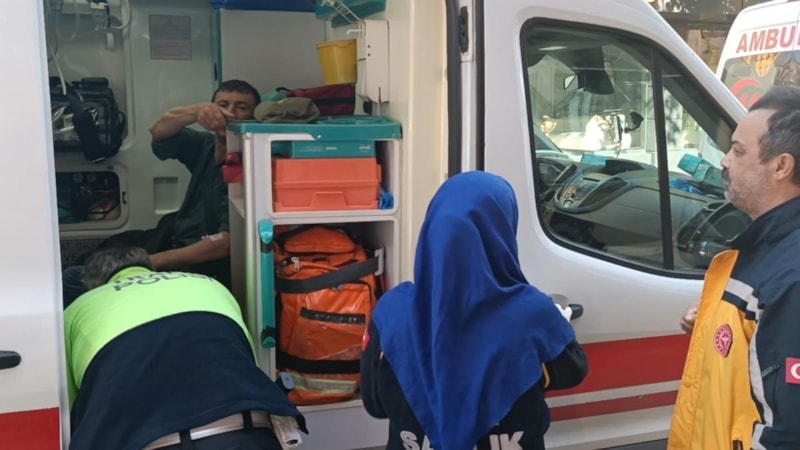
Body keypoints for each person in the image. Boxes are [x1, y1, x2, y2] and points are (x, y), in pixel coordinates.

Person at [361, 171, 588, 450]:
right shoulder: (534, 315)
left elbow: (374, 404)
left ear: (431, 231)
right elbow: (574, 371)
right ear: (502, 231)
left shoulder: (391, 313)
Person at [64, 246, 306, 450]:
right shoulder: (211, 285)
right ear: (150, 268)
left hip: (146, 440)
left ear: (95, 286)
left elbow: (69, 409)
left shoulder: (79, 309)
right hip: (250, 430)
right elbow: (245, 358)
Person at [669, 86, 800, 450]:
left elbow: (787, 431)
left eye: (738, 151)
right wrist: (714, 321)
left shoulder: (791, 275)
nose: (725, 161)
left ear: (781, 166)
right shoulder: (763, 247)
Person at [62, 79, 260, 306]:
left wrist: (145, 263)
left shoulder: (249, 165)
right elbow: (159, 131)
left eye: (241, 107)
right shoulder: (204, 144)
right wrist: (196, 111)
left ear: (253, 118)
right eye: (222, 105)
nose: (230, 113)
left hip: (203, 266)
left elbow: (225, 244)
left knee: (72, 280)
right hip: (175, 242)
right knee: (89, 261)